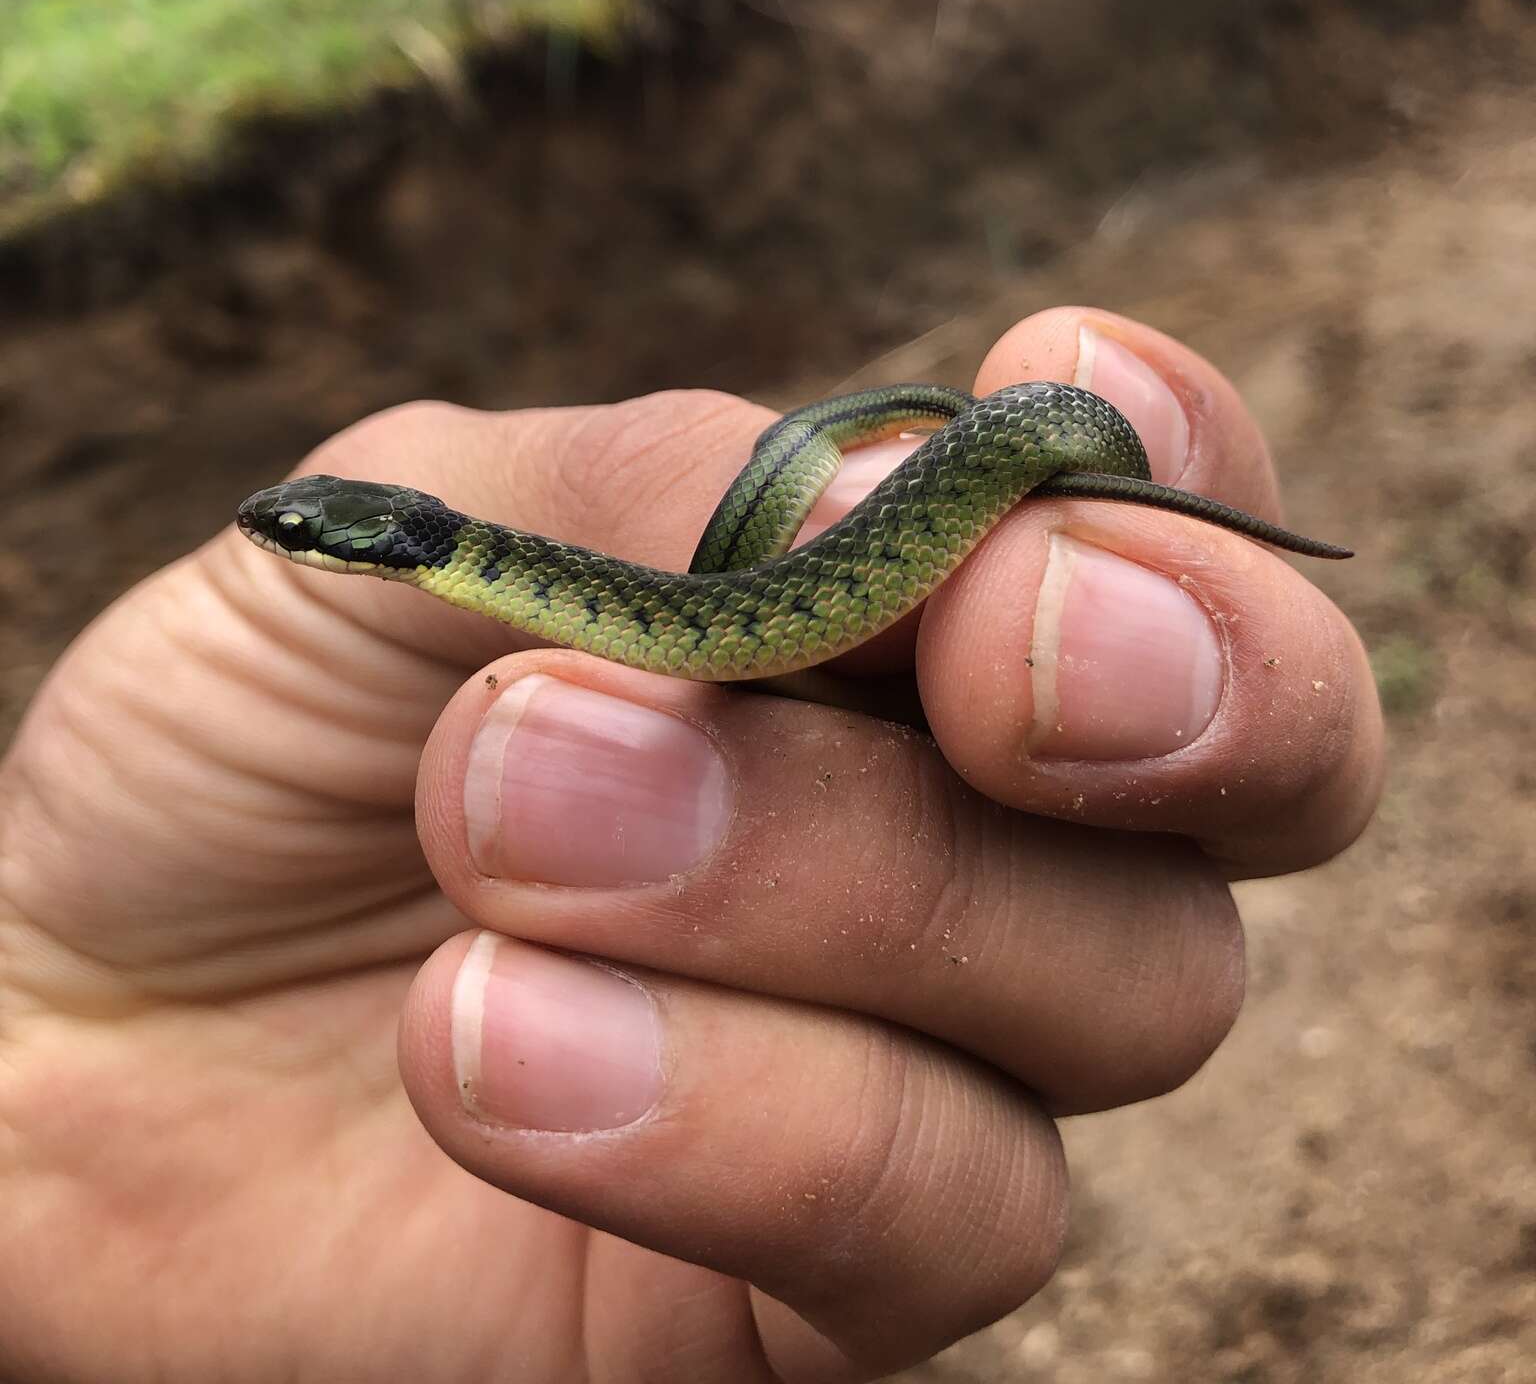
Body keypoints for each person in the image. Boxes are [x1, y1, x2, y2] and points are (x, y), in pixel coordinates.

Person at [0, 308, 1382, 1383]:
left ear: (374, 545)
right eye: (303, 538)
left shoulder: (531, 575)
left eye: (305, 535)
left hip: (980, 479)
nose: (291, 542)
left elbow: (715, 621)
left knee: (1030, 638)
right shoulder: (472, 591)